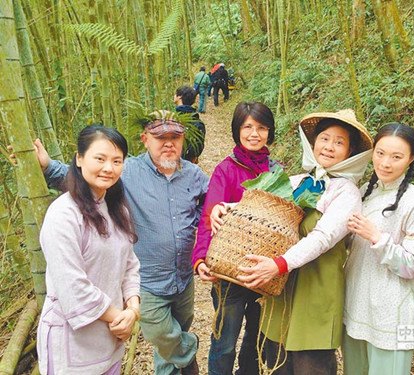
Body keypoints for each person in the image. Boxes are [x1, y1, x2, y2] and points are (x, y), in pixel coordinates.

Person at [36, 111, 209, 375]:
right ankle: (189, 352)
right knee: (165, 336)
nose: (169, 143)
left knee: (174, 336)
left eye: (175, 137)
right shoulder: (127, 172)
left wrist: (204, 222)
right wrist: (47, 166)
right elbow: (88, 177)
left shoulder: (194, 175)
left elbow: (211, 204)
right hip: (149, 282)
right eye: (160, 137)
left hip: (182, 277)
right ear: (145, 139)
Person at [236, 110, 374, 374]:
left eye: (339, 142)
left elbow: (323, 237)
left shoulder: (346, 193)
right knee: (278, 362)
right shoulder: (298, 181)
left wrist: (279, 264)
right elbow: (264, 210)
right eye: (324, 138)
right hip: (283, 285)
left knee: (312, 364)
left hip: (316, 289)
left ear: (350, 151)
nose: (329, 147)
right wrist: (226, 209)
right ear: (314, 143)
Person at [37, 125, 141, 375]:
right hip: (73, 342)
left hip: (110, 336)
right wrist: (120, 316)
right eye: (100, 158)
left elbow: (130, 264)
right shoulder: (63, 214)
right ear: (79, 159)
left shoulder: (117, 209)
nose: (109, 167)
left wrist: (133, 310)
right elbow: (72, 286)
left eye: (117, 161)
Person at [191, 102, 277, 375]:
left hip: (264, 270)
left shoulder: (276, 170)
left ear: (269, 132)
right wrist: (201, 257)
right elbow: (209, 215)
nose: (255, 133)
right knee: (225, 341)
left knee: (256, 337)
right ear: (237, 130)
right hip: (229, 273)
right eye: (248, 127)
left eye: (262, 128)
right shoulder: (226, 170)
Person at [343, 123, 414, 375]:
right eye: (380, 153)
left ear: (411, 158)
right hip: (357, 305)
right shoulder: (364, 193)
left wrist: (377, 237)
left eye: (396, 157)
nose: (385, 163)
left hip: (392, 315)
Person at [174, 86, 206, 163]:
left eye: (175, 94)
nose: (174, 96)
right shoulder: (196, 120)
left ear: (179, 97)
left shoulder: (173, 118)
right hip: (189, 164)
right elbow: (198, 146)